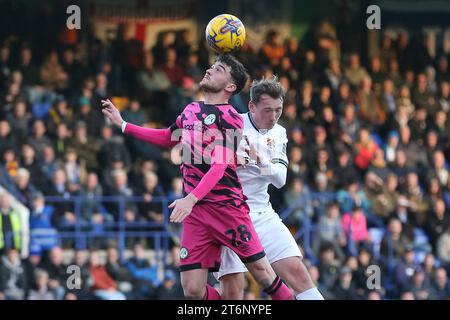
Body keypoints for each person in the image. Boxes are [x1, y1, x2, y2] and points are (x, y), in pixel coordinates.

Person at [101, 54, 294, 300]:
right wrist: (123, 124)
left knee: (263, 275)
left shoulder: (232, 118)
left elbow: (219, 165)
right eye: (212, 66)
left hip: (227, 210)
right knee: (192, 290)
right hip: (197, 214)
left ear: (230, 86)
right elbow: (168, 137)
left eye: (219, 69)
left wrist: (189, 199)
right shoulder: (191, 109)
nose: (210, 70)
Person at [215, 77, 323, 300]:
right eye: (267, 110)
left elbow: (280, 179)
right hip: (230, 215)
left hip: (263, 213)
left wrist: (259, 159)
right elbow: (209, 166)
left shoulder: (279, 133)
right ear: (252, 106)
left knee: (299, 273)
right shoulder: (231, 125)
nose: (273, 117)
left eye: (278, 110)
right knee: (233, 290)